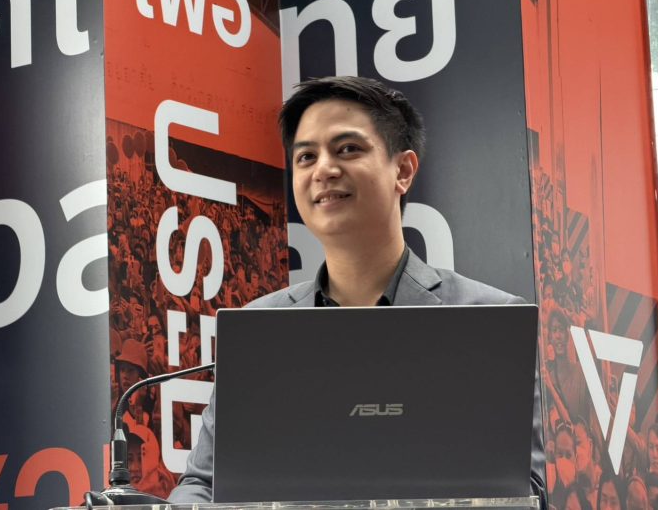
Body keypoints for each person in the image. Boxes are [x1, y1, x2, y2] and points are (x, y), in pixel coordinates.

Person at [168, 76, 546, 505]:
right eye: (306, 156)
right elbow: (201, 484)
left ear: (403, 171)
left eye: (347, 149)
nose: (324, 170)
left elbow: (524, 491)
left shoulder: (485, 321)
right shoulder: (259, 326)